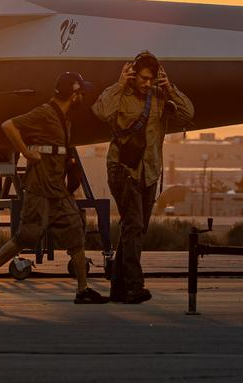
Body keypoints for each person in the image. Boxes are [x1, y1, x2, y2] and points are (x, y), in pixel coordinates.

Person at [0, 72, 109, 306]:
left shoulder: (64, 119)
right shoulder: (44, 113)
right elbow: (9, 126)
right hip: (40, 188)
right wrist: (25, 151)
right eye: (80, 92)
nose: (82, 96)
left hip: (57, 190)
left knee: (75, 233)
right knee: (26, 236)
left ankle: (83, 290)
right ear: (72, 94)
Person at [91, 50, 194, 304]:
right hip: (123, 170)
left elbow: (188, 113)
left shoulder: (159, 97)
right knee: (134, 226)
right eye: (143, 78)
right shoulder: (119, 96)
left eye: (151, 79)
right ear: (133, 74)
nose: (147, 84)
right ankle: (134, 287)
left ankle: (118, 288)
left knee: (135, 228)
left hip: (149, 171)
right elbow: (101, 111)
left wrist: (169, 88)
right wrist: (119, 84)